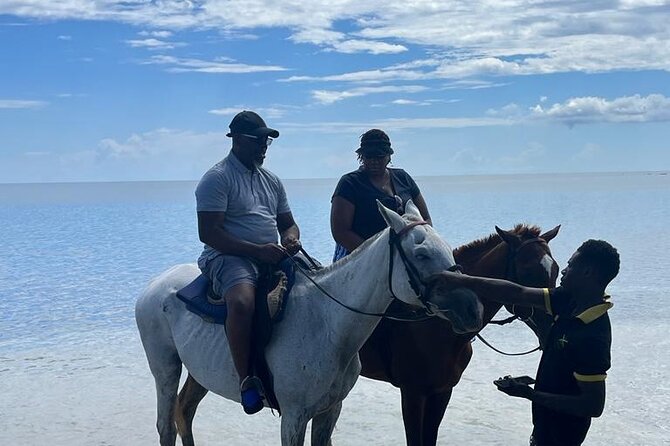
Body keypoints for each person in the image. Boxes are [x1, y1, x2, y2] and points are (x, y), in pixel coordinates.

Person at [429, 239, 620, 446]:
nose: (564, 271)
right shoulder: (569, 301)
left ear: (587, 273)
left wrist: (530, 394)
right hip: (543, 431)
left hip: (563, 438)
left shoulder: (592, 335)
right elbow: (517, 293)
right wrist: (462, 280)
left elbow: (592, 405)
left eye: (571, 265)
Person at [195, 110, 301, 414]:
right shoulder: (216, 179)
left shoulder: (272, 180)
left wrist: (290, 239)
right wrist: (257, 251)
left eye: (267, 141)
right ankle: (246, 380)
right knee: (242, 303)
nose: (264, 147)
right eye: (258, 141)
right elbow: (209, 234)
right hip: (227, 257)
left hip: (269, 253)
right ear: (238, 140)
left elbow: (288, 224)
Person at [330, 129, 432, 261]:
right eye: (369, 157)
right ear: (361, 157)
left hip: (406, 256)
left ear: (389, 156)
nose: (374, 161)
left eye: (379, 157)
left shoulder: (403, 178)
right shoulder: (349, 183)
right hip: (362, 258)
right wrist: (380, 255)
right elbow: (341, 232)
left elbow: (426, 219)